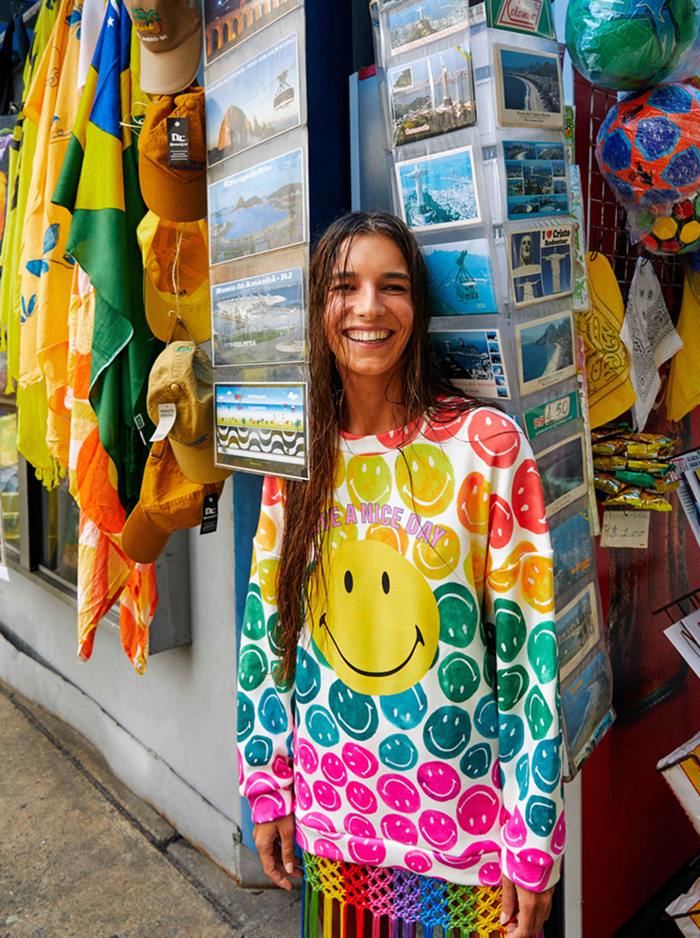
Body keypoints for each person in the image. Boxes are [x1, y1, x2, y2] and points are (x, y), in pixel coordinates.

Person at [237, 211, 565, 938]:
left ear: (417, 307)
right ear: (320, 308)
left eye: (391, 286)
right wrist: (267, 787)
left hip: (467, 845)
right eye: (343, 287)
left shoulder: (485, 447)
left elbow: (528, 658)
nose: (366, 307)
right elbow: (269, 636)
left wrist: (532, 834)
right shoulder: (296, 462)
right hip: (333, 833)